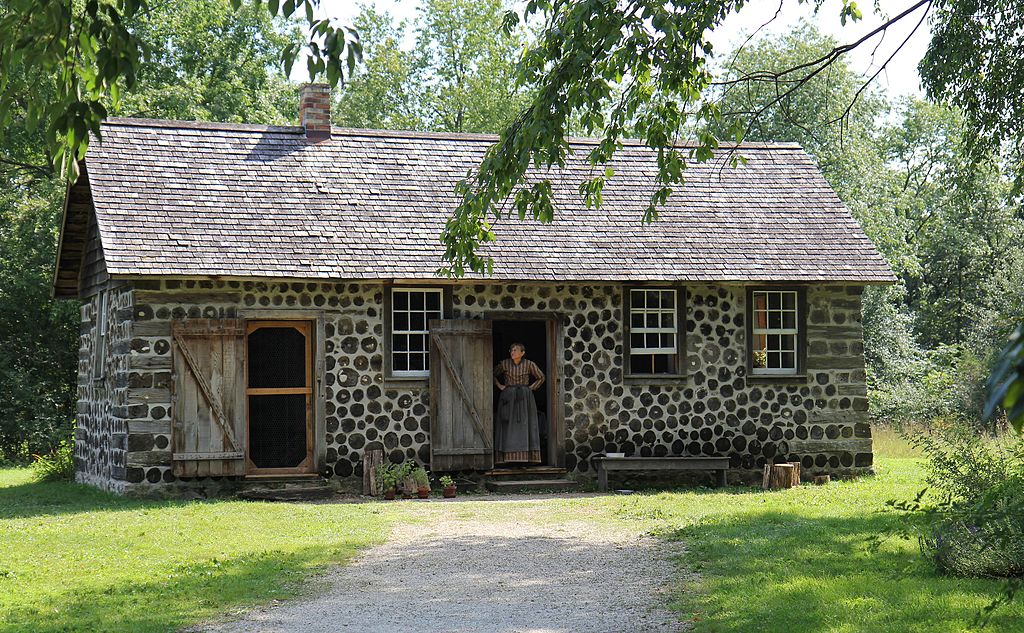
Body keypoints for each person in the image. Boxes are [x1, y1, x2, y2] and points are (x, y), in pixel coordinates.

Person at [493, 342, 545, 465]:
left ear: (522, 353)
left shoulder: (529, 364)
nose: (512, 352)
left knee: (525, 424)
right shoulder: (504, 363)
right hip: (508, 396)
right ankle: (505, 458)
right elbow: (491, 374)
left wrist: (530, 388)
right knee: (507, 424)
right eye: (511, 350)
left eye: (515, 350)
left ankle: (526, 459)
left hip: (524, 397)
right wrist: (500, 385)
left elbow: (541, 377)